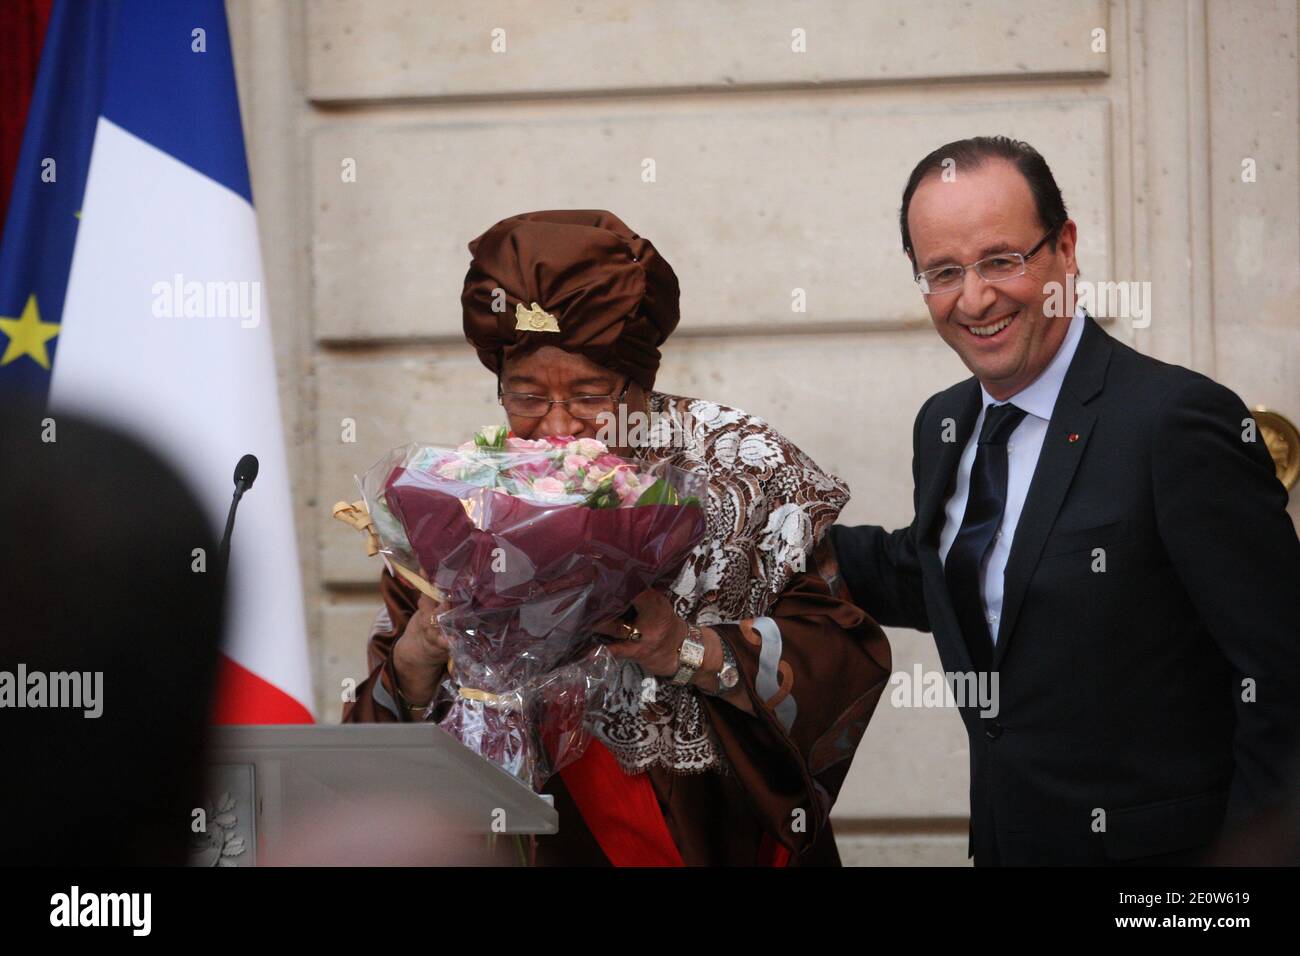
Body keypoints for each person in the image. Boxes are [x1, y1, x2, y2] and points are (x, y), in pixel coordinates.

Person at [343, 209, 891, 866]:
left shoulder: (743, 469)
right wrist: (423, 646)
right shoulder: (467, 501)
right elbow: (374, 743)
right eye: (525, 396)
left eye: (589, 394)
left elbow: (842, 655)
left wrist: (685, 649)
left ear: (640, 385)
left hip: (712, 839)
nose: (558, 426)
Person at [830, 136, 1300, 866]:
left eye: (1002, 260)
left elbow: (1283, 687)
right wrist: (727, 524)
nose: (976, 297)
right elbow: (957, 576)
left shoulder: (1173, 421)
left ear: (1066, 248)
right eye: (944, 272)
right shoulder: (943, 424)